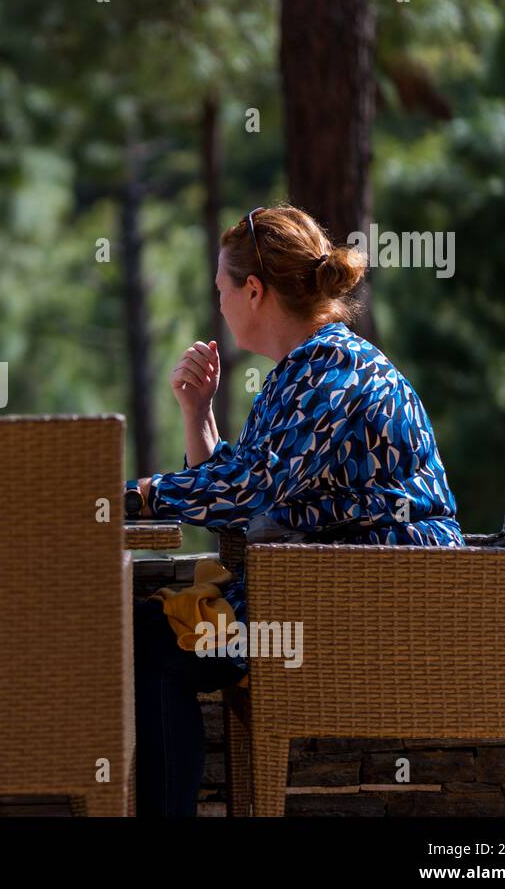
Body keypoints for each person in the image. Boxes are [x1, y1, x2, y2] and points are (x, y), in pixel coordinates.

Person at [128, 204, 464, 817]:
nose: (220, 305)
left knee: (150, 645)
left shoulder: (332, 368)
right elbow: (247, 495)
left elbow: (253, 486)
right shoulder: (309, 370)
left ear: (253, 291)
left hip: (382, 602)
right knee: (152, 639)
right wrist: (198, 415)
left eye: (221, 290)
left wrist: (146, 494)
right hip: (344, 588)